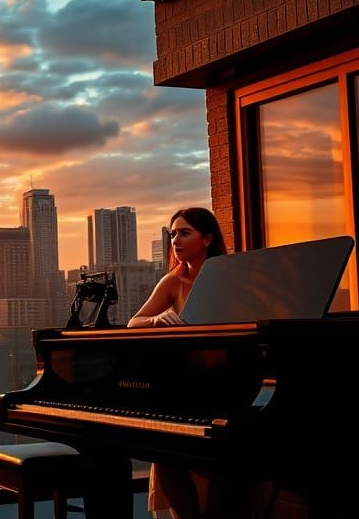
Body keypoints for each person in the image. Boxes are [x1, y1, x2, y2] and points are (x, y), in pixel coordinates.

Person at [128, 207, 228, 519]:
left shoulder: (229, 277)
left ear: (207, 238)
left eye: (184, 233)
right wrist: (157, 320)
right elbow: (134, 323)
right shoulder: (173, 282)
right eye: (173, 234)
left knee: (228, 452)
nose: (176, 240)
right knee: (164, 449)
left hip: (226, 383)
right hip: (188, 386)